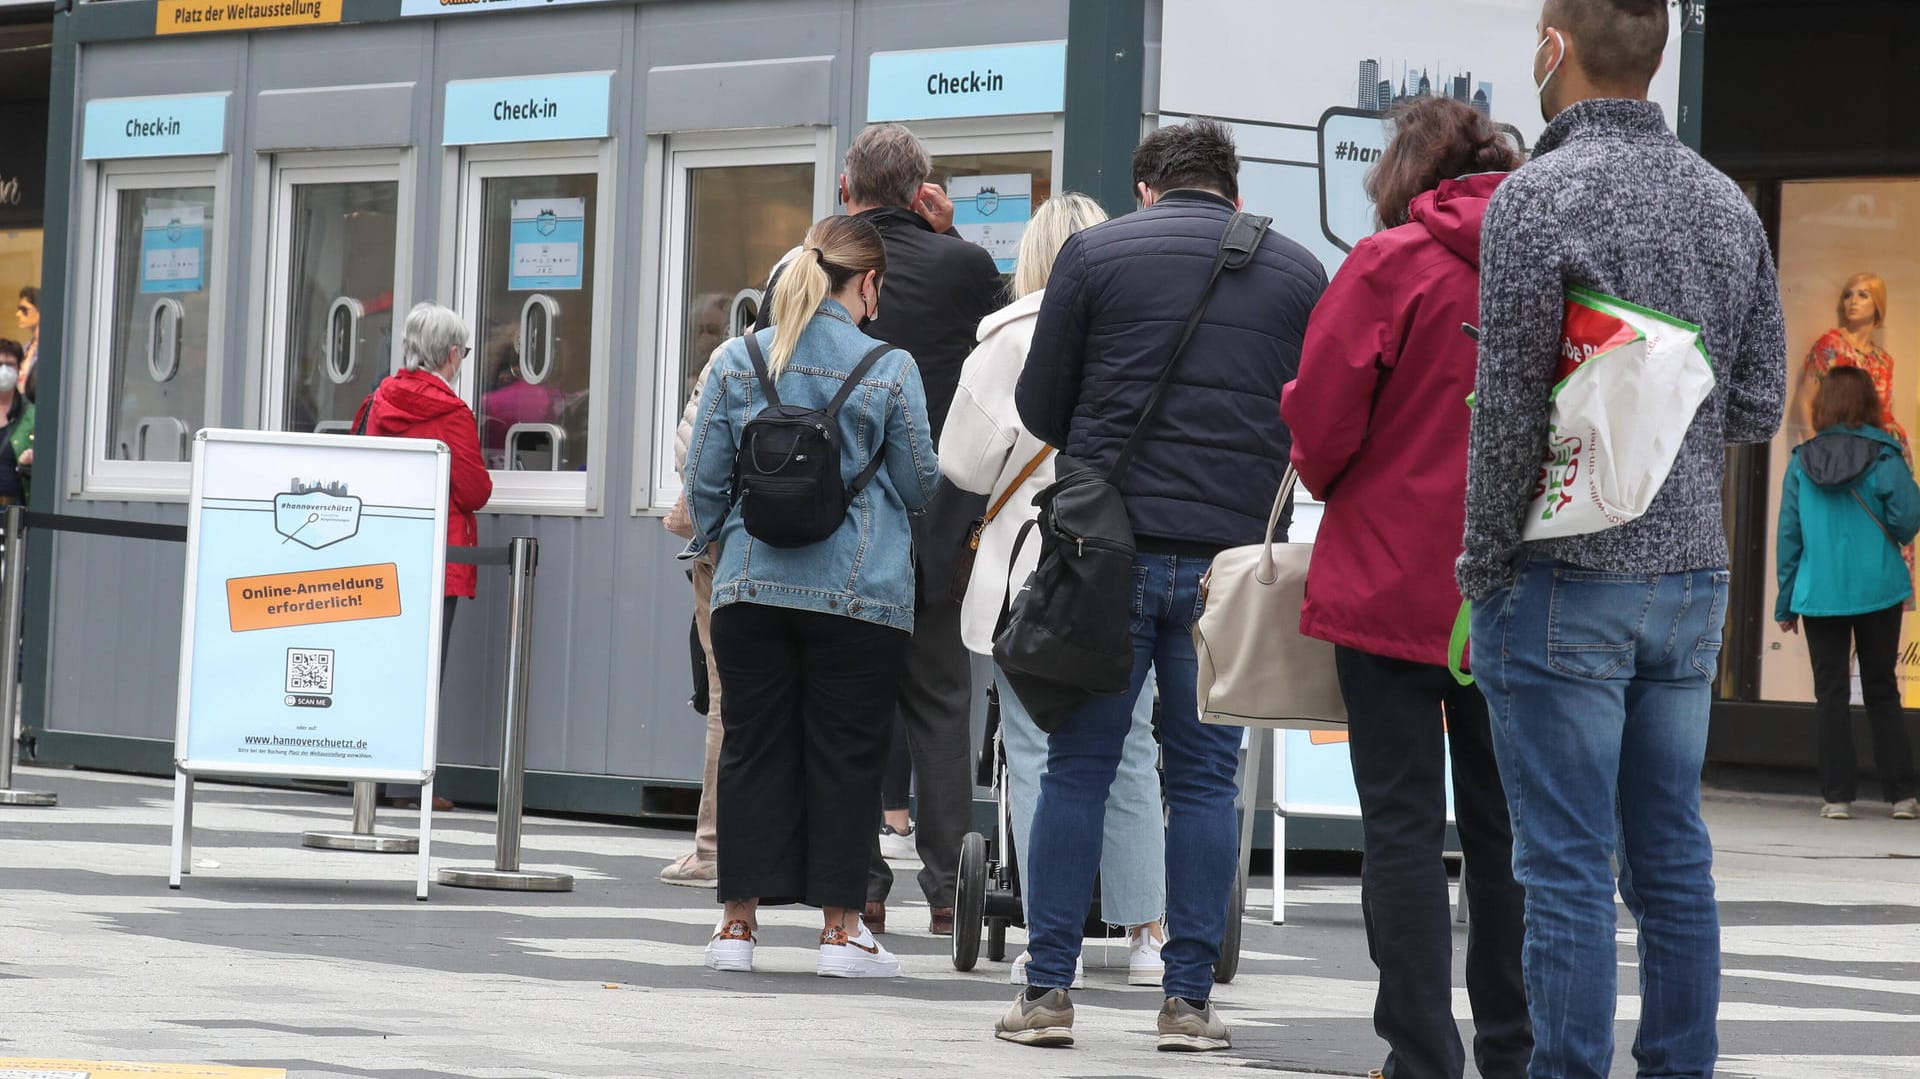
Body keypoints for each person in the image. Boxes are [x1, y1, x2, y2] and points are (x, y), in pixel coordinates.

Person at [1459, 3, 1787, 1077]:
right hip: (1692, 571)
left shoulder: (1533, 198)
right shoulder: (1726, 206)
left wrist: (1484, 562)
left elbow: (1506, 412)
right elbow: (1755, 403)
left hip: (1562, 571)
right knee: (1674, 859)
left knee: (1564, 868)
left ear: (1554, 48)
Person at [1000, 118, 1327, 1051]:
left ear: (1147, 189)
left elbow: (1038, 406)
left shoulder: (1094, 256)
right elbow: (1316, 416)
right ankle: (1188, 1003)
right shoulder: (1300, 273)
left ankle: (1048, 992)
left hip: (1108, 557)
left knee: (1078, 766)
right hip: (1231, 569)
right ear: (1230, 188)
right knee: (1205, 779)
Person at [1283, 97, 1530, 1079]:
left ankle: (1422, 1055)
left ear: (1402, 173)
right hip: (1512, 590)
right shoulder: (1545, 268)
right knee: (1506, 828)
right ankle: (1515, 1049)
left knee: (1399, 824)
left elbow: (1322, 437)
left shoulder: (1388, 264)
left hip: (1388, 583)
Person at [684, 214, 940, 978]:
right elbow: (920, 483)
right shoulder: (890, 367)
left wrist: (724, 543)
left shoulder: (737, 359)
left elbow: (701, 481)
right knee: (846, 752)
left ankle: (736, 927)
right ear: (866, 283)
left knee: (751, 746)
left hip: (749, 588)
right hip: (860, 597)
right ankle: (839, 932)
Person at [940, 192, 1169, 988]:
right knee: (1134, 746)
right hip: (1120, 563)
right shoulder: (1142, 325)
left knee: (1034, 749)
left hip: (1026, 565)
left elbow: (963, 465)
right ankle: (1147, 935)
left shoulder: (1007, 339)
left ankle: (1049, 933)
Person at [838, 123, 1004, 937]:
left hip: (840, 523)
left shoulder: (823, 267)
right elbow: (1008, 346)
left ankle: (862, 885)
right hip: (941, 519)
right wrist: (954, 236)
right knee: (940, 700)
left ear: (846, 192)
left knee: (856, 698)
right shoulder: (965, 267)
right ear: (921, 191)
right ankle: (948, 890)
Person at [353, 303, 494, 813]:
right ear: (452, 355)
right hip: (435, 559)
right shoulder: (451, 414)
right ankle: (413, 783)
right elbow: (475, 489)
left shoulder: (376, 403)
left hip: (380, 555)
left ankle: (373, 780)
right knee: (423, 671)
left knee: (381, 664)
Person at [1776, 366, 1920, 822]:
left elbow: (1789, 538)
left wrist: (1785, 600)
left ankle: (1837, 797)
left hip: (1820, 590)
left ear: (1823, 404)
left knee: (1831, 692)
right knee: (1882, 690)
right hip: (1878, 586)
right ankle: (1901, 796)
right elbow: (1906, 521)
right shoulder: (1884, 457)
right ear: (1869, 403)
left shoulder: (1801, 461)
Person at [658, 346, 724, 888]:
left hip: (728, 550)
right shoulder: (870, 357)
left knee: (727, 699)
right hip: (830, 562)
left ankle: (711, 848)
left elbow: (690, 450)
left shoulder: (732, 356)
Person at [1798, 275, 1907, 453]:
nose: (1853, 301)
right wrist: (1814, 448)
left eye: (1863, 295)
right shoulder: (1831, 345)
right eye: (1848, 295)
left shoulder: (1884, 361)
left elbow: (1884, 414)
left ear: (1877, 304)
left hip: (1882, 450)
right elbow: (1804, 400)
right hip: (1842, 449)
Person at [0, 340, 34, 504]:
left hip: (15, 508)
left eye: (10, 364)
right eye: (0, 364)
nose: (4, 370)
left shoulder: (32, 414)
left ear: (19, 368)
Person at [16, 287, 39, 395]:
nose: (18, 314)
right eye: (19, 309)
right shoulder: (25, 349)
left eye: (24, 309)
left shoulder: (52, 351)